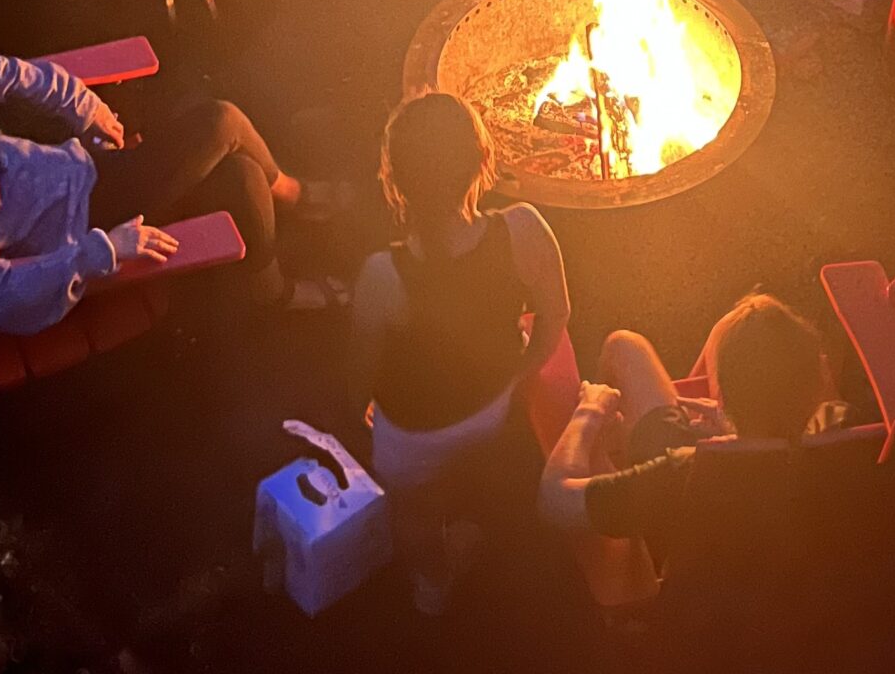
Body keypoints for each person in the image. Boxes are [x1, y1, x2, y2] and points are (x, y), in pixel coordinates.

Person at [0, 0, 344, 333]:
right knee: (220, 120)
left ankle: (270, 289)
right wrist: (102, 251)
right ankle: (293, 199)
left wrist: (86, 106)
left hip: (81, 174)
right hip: (82, 228)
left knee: (239, 175)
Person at [349, 90, 569, 613]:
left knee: (413, 510)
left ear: (395, 180)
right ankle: (482, 517)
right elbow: (557, 317)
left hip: (415, 432)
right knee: (476, 469)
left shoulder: (383, 274)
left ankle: (431, 588)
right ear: (481, 161)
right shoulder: (524, 228)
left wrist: (363, 410)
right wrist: (520, 377)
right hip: (494, 405)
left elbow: (361, 373)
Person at [536, 293, 839, 566]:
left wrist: (590, 411)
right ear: (819, 380)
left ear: (722, 394)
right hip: (781, 576)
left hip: (675, 530)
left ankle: (613, 456)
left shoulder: (683, 473)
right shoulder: (843, 448)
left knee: (624, 345)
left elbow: (555, 501)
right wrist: (737, 432)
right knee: (735, 321)